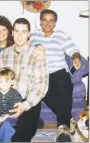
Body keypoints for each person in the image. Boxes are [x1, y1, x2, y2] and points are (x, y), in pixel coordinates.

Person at [0, 18, 49, 142]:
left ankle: (31, 124)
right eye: (17, 31)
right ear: (12, 33)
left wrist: (25, 106)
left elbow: (42, 86)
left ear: (29, 34)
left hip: (28, 103)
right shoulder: (4, 54)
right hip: (5, 99)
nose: (20, 36)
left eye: (24, 32)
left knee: (18, 138)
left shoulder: (37, 54)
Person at [31, 9, 82, 142]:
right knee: (41, 90)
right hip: (41, 74)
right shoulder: (33, 36)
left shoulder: (61, 35)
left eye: (51, 20)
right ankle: (69, 119)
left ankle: (62, 127)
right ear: (40, 21)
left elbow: (74, 50)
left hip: (59, 72)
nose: (48, 23)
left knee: (63, 85)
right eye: (45, 20)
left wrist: (76, 58)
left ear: (55, 23)